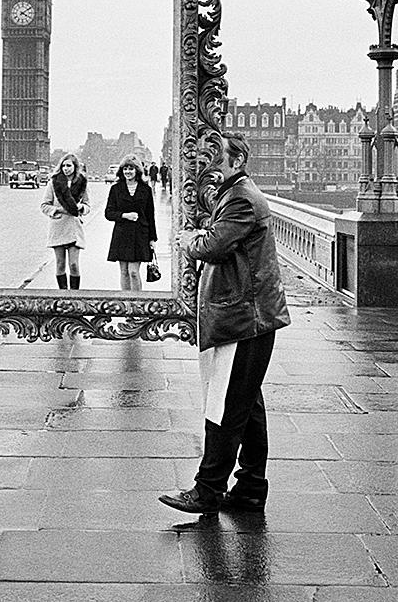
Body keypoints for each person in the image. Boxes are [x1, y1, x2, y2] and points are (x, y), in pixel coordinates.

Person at [160, 133, 292, 515]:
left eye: (218, 160)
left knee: (226, 409)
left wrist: (187, 238)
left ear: (238, 161)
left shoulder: (241, 199)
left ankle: (208, 490)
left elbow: (212, 246)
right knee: (247, 408)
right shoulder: (237, 192)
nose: (211, 168)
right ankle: (251, 488)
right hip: (250, 317)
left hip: (243, 318)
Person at [104, 154, 157, 290]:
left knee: (133, 272)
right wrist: (125, 215)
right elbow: (108, 213)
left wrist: (152, 239)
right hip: (122, 234)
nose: (128, 172)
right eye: (125, 169)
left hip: (140, 235)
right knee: (124, 272)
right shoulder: (116, 189)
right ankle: (126, 304)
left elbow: (150, 215)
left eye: (131, 169)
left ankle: (138, 304)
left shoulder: (146, 190)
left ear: (137, 171)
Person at [41, 153, 91, 289]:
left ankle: (74, 295)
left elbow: (88, 206)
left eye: (69, 165)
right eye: (63, 166)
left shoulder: (82, 184)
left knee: (74, 265)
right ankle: (63, 294)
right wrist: (58, 210)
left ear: (75, 167)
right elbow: (44, 205)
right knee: (60, 264)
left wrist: (81, 207)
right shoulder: (54, 183)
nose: (66, 168)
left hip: (74, 227)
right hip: (58, 226)